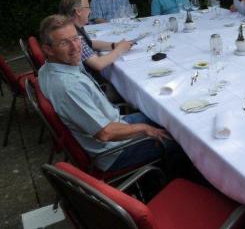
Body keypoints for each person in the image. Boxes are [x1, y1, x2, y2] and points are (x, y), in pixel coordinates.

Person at [38, 15, 179, 172]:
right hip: (115, 151)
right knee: (180, 139)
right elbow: (105, 133)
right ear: (48, 49)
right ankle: (166, 180)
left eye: (75, 38)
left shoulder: (48, 68)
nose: (75, 47)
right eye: (64, 43)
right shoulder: (68, 86)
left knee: (170, 119)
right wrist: (145, 129)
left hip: (115, 123)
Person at [59, 0, 132, 72]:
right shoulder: (73, 35)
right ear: (78, 11)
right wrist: (120, 49)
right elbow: (98, 64)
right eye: (88, 7)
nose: (90, 11)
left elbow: (90, 43)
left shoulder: (73, 27)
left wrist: (114, 45)